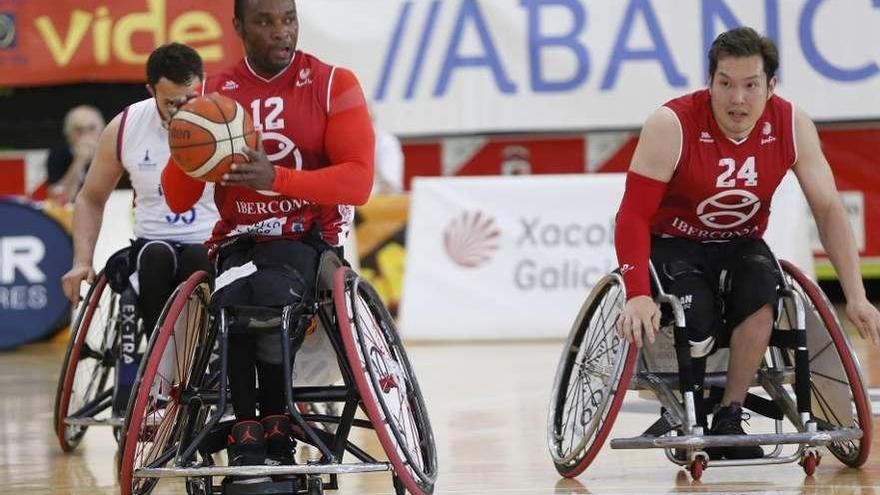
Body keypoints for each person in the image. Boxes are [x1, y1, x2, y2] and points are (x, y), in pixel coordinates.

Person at [613, 27, 880, 460]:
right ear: (710, 82)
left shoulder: (792, 124)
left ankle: (730, 414)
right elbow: (633, 214)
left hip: (739, 242)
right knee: (694, 315)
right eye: (726, 84)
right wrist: (637, 293)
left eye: (751, 85)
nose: (737, 98)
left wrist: (857, 296)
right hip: (673, 243)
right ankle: (689, 407)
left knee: (763, 290)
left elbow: (829, 208)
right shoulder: (671, 124)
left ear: (771, 86)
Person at [160, 0, 374, 472]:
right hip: (241, 240)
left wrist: (276, 179)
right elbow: (177, 199)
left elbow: (358, 182)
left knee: (270, 294)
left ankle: (276, 419)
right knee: (234, 297)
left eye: (289, 19)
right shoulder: (214, 94)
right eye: (265, 21)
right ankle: (248, 424)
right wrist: (186, 137)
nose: (281, 32)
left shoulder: (333, 83)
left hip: (310, 238)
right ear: (238, 27)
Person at [61, 43, 218, 413]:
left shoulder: (225, 121)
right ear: (151, 92)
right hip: (154, 243)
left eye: (190, 98)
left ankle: (210, 364)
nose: (181, 110)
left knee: (198, 255)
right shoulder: (126, 125)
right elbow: (90, 197)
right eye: (171, 103)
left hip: (212, 244)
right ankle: (160, 381)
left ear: (204, 84)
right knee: (154, 256)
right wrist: (81, 260)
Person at [46, 105, 105, 203]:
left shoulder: (111, 152)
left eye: (91, 128)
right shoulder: (58, 155)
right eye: (79, 130)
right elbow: (58, 197)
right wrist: (78, 162)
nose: (86, 135)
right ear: (69, 133)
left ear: (102, 130)